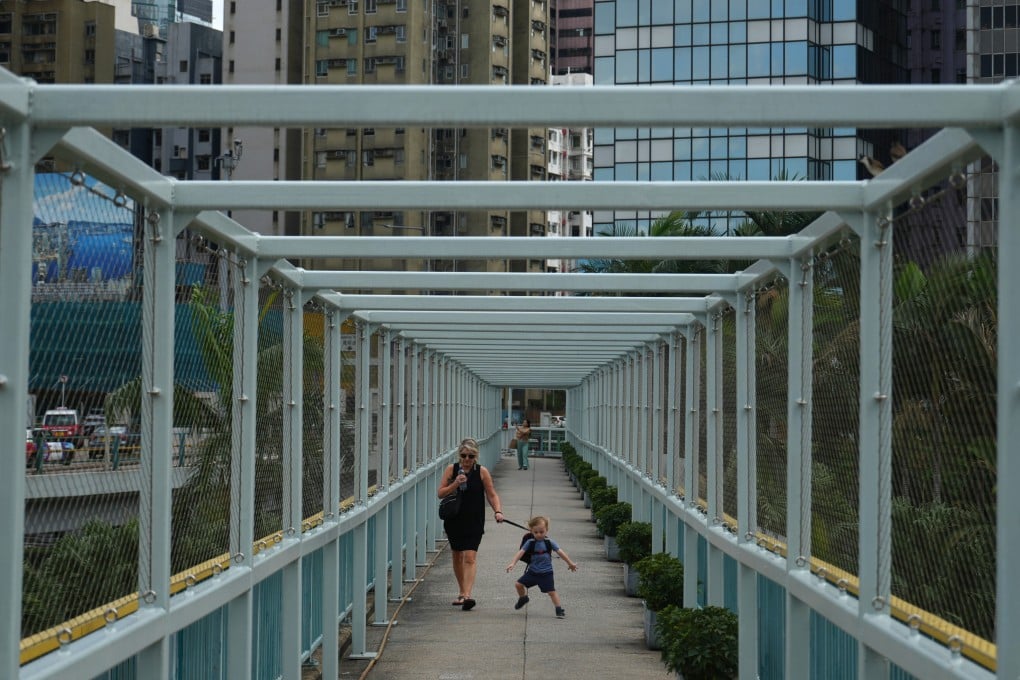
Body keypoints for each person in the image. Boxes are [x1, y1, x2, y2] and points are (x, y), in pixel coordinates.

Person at [438, 438, 504, 611]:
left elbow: (492, 494)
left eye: (471, 456)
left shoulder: (482, 472)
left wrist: (498, 511)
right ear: (459, 455)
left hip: (474, 520)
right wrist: (455, 483)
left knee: (470, 557)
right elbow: (440, 493)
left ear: (476, 456)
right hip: (454, 520)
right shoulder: (451, 470)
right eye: (463, 455)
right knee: (457, 555)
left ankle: (467, 595)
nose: (467, 459)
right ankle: (461, 591)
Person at [505, 515, 578, 618]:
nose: (539, 534)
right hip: (533, 572)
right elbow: (521, 552)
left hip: (546, 573)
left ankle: (559, 609)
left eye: (541, 532)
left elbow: (560, 552)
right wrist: (513, 563)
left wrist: (570, 563)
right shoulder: (530, 542)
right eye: (535, 532)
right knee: (518, 584)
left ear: (546, 530)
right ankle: (523, 598)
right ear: (531, 531)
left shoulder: (549, 542)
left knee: (551, 592)